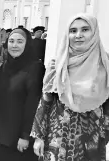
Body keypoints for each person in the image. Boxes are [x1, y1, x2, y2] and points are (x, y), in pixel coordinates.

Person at [31, 13, 109, 161]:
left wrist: (105, 132)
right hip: (56, 140)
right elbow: (45, 102)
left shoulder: (105, 64)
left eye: (85, 29)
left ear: (94, 32)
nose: (78, 35)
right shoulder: (58, 64)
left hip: (91, 142)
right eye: (73, 31)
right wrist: (38, 137)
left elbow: (107, 105)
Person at [0, 28, 44, 161]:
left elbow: (33, 104)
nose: (14, 45)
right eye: (11, 41)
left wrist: (25, 136)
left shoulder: (35, 68)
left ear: (27, 44)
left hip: (20, 137)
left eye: (20, 41)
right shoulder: (5, 66)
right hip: (3, 133)